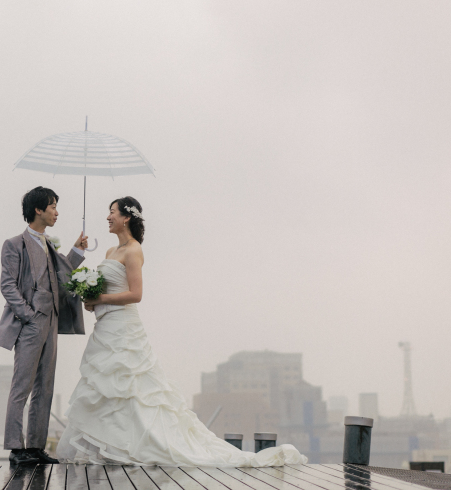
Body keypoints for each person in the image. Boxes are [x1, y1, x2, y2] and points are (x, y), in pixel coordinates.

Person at [56, 196, 308, 467]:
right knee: (105, 388)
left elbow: (136, 294)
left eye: (112, 212)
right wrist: (90, 296)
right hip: (105, 328)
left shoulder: (134, 250)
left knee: (133, 389)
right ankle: (112, 446)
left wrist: (101, 300)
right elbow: (110, 289)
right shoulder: (109, 252)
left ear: (126, 217)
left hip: (124, 329)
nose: (108, 217)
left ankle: (141, 444)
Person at [0, 186, 89, 466]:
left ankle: (35, 446)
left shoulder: (50, 244)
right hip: (30, 322)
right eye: (52, 207)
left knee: (45, 386)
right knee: (21, 385)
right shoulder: (14, 244)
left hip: (51, 321)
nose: (56, 212)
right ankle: (16, 447)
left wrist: (77, 250)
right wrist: (27, 314)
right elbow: (7, 285)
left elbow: (62, 276)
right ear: (38, 209)